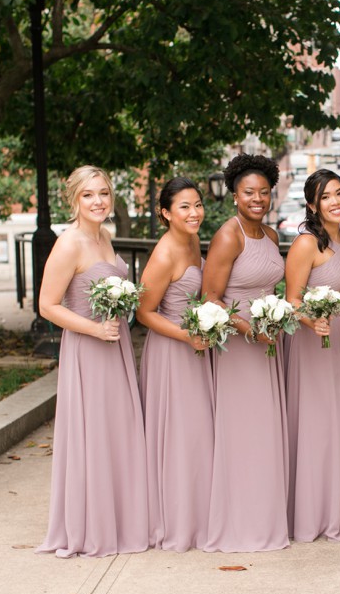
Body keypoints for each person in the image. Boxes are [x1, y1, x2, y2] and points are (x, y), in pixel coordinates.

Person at [36, 165, 148, 558]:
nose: (98, 201)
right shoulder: (69, 243)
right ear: (74, 200)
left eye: (103, 193)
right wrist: (93, 329)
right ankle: (93, 527)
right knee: (95, 433)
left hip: (114, 347)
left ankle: (120, 519)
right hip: (89, 349)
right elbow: (47, 306)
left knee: (117, 431)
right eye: (88, 195)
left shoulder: (105, 236)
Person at [200, 154, 289, 552]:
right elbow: (210, 299)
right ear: (234, 195)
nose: (257, 199)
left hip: (268, 346)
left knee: (265, 432)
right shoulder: (228, 236)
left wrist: (276, 318)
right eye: (249, 192)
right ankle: (239, 523)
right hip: (238, 349)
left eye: (264, 192)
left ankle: (266, 518)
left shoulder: (269, 236)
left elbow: (272, 287)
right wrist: (249, 329)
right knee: (243, 433)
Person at [284, 169, 340, 542]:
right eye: (327, 196)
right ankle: (312, 515)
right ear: (312, 204)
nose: (335, 202)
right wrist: (311, 321)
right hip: (312, 342)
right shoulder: (305, 245)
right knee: (316, 425)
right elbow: (291, 300)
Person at [136, 177, 213, 552]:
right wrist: (186, 336)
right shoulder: (165, 253)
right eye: (184, 207)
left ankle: (198, 516)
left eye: (197, 204)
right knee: (179, 435)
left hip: (195, 346)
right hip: (171, 351)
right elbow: (144, 313)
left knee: (199, 432)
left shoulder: (193, 240)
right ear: (166, 213)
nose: (194, 212)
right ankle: (175, 521)